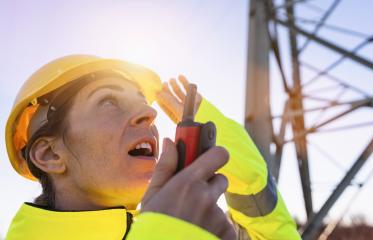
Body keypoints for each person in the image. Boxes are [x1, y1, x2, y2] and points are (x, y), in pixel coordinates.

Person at [5, 55, 301, 239]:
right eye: (108, 101)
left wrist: (236, 158)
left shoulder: (190, 225)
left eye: (143, 103)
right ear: (50, 154)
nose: (150, 114)